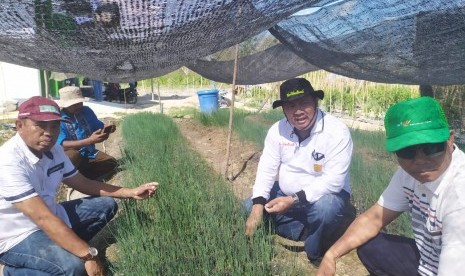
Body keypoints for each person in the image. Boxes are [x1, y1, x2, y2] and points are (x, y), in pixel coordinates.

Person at [0, 96, 158, 275]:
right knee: (75, 267)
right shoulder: (7, 162)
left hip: (52, 215)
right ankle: (12, 271)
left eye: (54, 126)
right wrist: (89, 256)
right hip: (17, 235)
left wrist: (129, 192)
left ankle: (60, 250)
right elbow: (42, 218)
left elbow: (81, 183)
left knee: (107, 205)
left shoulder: (54, 150)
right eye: (41, 125)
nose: (49, 133)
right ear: (20, 125)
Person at [317, 96, 465, 276]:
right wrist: (331, 255)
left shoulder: (459, 200)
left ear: (450, 140)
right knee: (370, 246)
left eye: (432, 148)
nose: (419, 160)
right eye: (407, 151)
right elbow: (373, 219)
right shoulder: (408, 175)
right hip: (429, 261)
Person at [244, 78, 355, 263]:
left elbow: (334, 182)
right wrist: (257, 208)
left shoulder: (337, 132)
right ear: (283, 110)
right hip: (286, 193)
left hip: (326, 196)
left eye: (304, 103)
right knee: (248, 207)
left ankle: (316, 249)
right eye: (290, 106)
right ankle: (308, 229)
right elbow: (266, 168)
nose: (298, 111)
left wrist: (292, 200)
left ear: (315, 102)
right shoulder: (277, 130)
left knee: (326, 209)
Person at [57, 86, 118, 181]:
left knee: (112, 163)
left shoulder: (87, 111)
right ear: (65, 105)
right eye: (74, 104)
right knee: (73, 156)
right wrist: (88, 141)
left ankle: (83, 178)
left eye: (79, 103)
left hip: (89, 153)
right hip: (70, 155)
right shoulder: (59, 119)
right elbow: (63, 145)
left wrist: (107, 130)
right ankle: (70, 179)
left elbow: (99, 127)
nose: (78, 106)